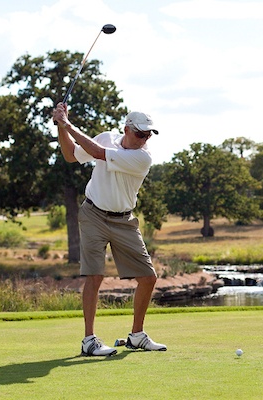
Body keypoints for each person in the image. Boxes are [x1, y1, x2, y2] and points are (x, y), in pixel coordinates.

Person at [53, 102, 167, 356]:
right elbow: (71, 155)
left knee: (148, 278)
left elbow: (96, 152)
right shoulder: (107, 138)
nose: (144, 139)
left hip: (124, 220)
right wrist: (62, 128)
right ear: (126, 129)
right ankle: (89, 340)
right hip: (93, 213)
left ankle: (137, 335)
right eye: (140, 133)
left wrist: (67, 124)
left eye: (148, 135)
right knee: (94, 275)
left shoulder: (142, 157)